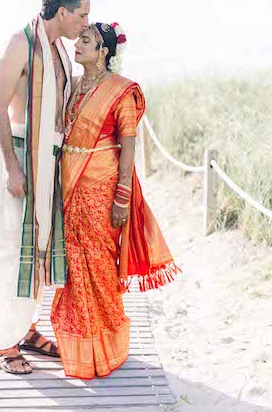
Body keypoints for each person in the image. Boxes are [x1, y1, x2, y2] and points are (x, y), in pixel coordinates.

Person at [50, 22, 180, 379]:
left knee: (99, 266)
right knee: (75, 266)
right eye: (79, 39)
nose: (78, 44)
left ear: (104, 51)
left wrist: (122, 196)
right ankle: (80, 345)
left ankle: (106, 349)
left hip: (102, 187)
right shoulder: (74, 86)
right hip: (70, 183)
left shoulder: (122, 92)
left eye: (86, 40)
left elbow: (128, 147)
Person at [0, 0, 92, 374]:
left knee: (38, 246)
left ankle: (26, 327)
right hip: (19, 159)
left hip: (48, 161)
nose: (84, 23)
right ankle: (3, 342)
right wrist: (13, 167)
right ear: (62, 12)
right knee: (10, 247)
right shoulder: (19, 43)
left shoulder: (60, 52)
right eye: (82, 14)